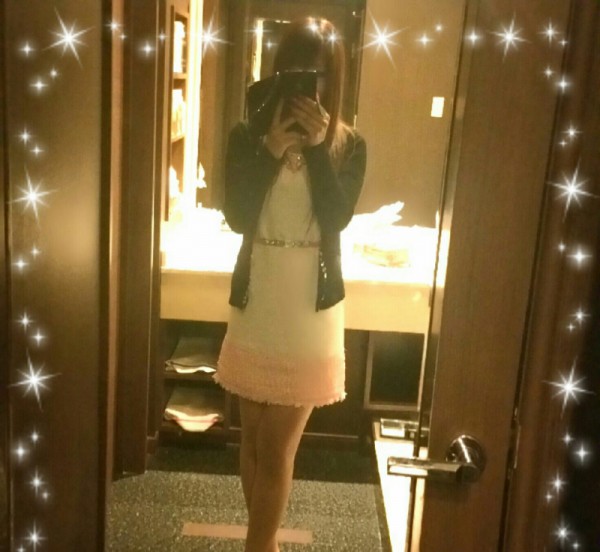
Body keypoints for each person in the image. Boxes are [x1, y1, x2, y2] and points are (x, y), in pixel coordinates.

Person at [213, 17, 367, 552]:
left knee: (277, 445)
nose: (306, 87)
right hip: (258, 298)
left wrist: (318, 150)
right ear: (277, 73)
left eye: (318, 75)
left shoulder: (349, 145)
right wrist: (270, 151)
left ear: (333, 81)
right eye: (296, 72)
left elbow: (336, 217)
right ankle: (268, 545)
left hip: (309, 310)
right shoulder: (247, 137)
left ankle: (255, 547)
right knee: (252, 441)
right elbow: (237, 216)